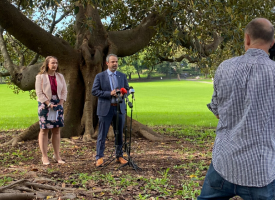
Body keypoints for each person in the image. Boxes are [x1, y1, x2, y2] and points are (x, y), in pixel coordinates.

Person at [198, 18, 275, 200]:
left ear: (247, 38)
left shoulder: (224, 68)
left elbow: (218, 111)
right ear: (272, 42)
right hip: (261, 168)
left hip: (225, 162)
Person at [92, 54, 129, 167]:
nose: (115, 64)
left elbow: (127, 88)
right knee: (102, 134)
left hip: (119, 108)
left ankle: (119, 156)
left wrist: (123, 92)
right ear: (107, 63)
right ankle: (99, 157)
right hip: (105, 109)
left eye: (116, 62)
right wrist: (109, 93)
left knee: (119, 134)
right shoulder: (100, 76)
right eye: (112, 62)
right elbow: (95, 91)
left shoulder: (122, 76)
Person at [35, 56, 67, 165]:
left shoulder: (60, 76)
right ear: (47, 64)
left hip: (58, 105)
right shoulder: (40, 77)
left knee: (56, 130)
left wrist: (60, 103)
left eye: (56, 63)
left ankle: (57, 155)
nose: (55, 65)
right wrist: (49, 104)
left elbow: (64, 91)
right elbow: (39, 93)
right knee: (44, 130)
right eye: (53, 63)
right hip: (45, 105)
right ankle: (44, 156)